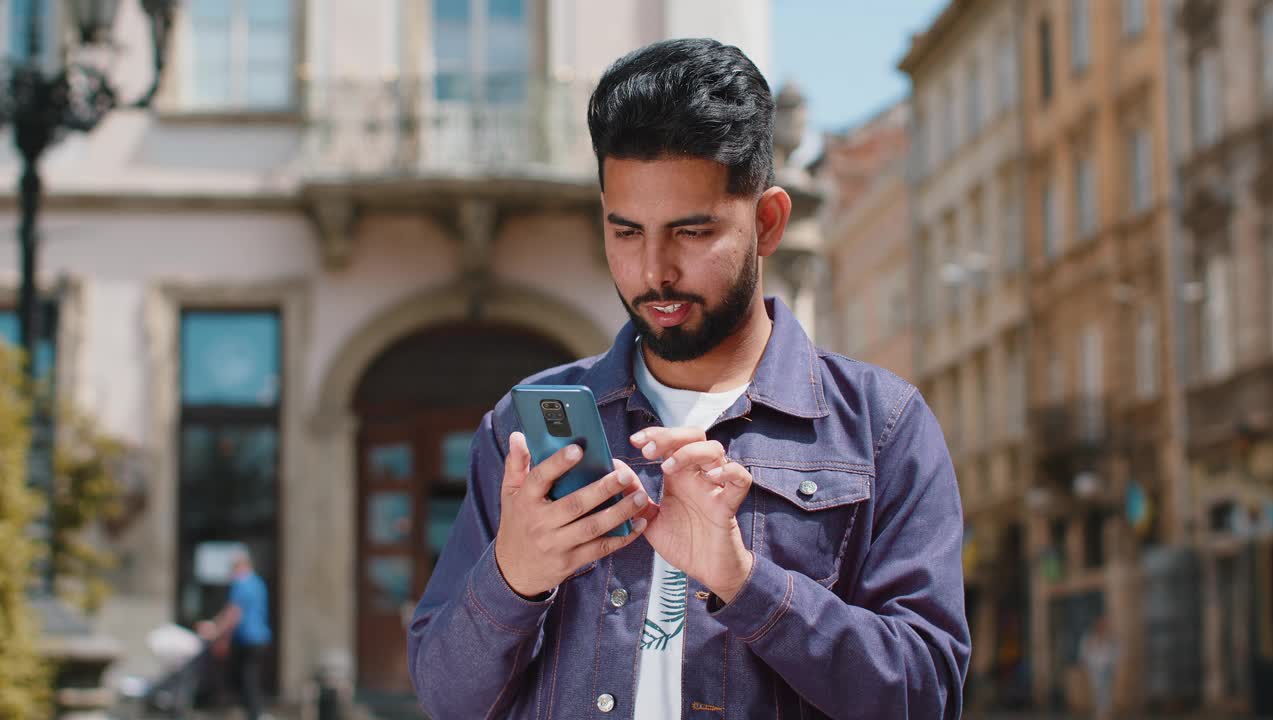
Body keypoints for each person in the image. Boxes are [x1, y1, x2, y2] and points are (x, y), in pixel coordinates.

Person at [407, 38, 969, 719]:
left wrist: (744, 582)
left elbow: (925, 696)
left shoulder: (881, 428)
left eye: (692, 233)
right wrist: (514, 578)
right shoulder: (524, 429)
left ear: (767, 222)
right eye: (626, 232)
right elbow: (444, 698)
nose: (654, 272)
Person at [198, 551, 272, 720]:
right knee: (250, 677)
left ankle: (253, 713)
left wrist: (216, 631)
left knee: (246, 678)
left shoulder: (242, 583)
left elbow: (233, 613)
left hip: (248, 638)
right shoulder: (257, 583)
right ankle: (253, 712)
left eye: (233, 567)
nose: (231, 572)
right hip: (260, 637)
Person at [1079, 616, 1117, 720]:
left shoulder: (1110, 638)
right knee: (1098, 691)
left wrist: (1112, 662)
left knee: (1106, 691)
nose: (1102, 627)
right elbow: (1084, 653)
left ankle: (1105, 713)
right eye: (1100, 625)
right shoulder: (1089, 638)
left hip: (1106, 667)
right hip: (1095, 669)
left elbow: (1116, 652)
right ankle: (1100, 714)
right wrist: (1086, 665)